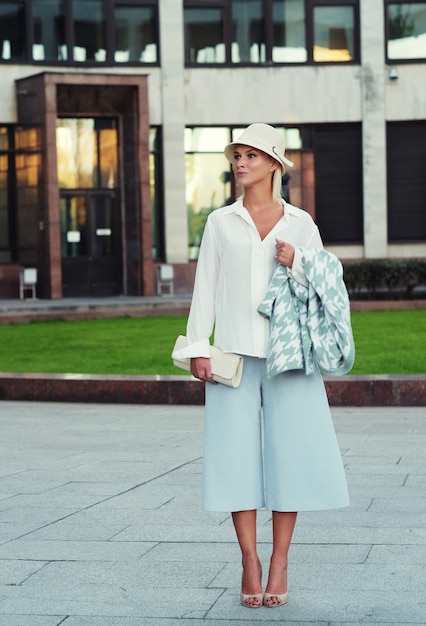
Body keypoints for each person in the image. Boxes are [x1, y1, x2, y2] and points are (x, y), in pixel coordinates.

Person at [174, 123, 350, 609]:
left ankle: (280, 560)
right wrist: (197, 348)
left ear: (273, 164)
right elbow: (204, 288)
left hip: (290, 358)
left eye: (251, 155)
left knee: (289, 458)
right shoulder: (219, 222)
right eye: (237, 155)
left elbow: (327, 286)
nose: (241, 163)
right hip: (231, 353)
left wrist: (298, 261)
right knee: (234, 459)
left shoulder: (301, 223)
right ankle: (250, 559)